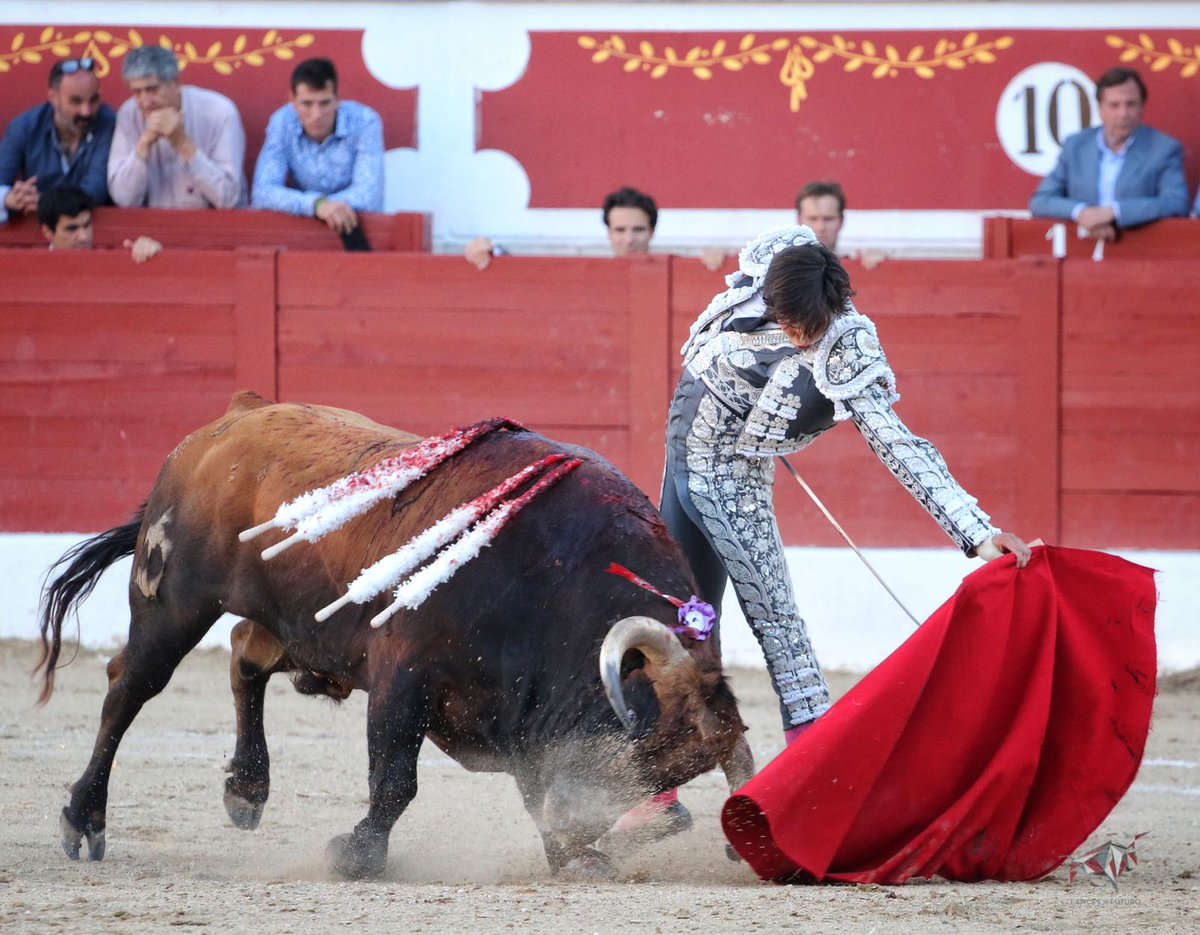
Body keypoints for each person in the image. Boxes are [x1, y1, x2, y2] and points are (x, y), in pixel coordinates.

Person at [663, 225, 1032, 742]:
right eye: (789, 322)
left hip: (731, 475)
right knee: (686, 615)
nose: (797, 337)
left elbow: (895, 442)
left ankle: (811, 760)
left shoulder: (846, 341)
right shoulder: (772, 261)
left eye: (806, 328)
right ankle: (658, 775)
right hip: (681, 451)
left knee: (777, 622)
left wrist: (975, 532)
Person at [1028, 67, 1188, 239]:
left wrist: (1114, 212)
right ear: (1100, 109)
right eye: (1114, 105)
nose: (1123, 114)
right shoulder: (1076, 146)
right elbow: (1040, 201)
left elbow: (1176, 203)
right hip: (1081, 252)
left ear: (1142, 107)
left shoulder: (1163, 149)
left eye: (1131, 104)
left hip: (1139, 252)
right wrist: (1082, 213)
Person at [251, 57, 383, 237]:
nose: (317, 114)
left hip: (355, 230)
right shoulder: (282, 122)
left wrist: (321, 207)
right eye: (307, 104)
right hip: (300, 232)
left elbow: (370, 194)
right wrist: (316, 206)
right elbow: (262, 192)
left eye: (325, 103)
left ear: (338, 99)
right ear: (292, 101)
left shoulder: (365, 121)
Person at [107, 46, 246, 209]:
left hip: (214, 227)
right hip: (151, 228)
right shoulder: (129, 114)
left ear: (176, 82)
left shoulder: (220, 112)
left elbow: (228, 198)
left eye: (152, 90)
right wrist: (144, 144)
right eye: (137, 92)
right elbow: (123, 199)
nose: (145, 102)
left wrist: (183, 143)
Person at [0, 57, 115, 224]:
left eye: (93, 100)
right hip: (35, 232)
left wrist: (45, 201)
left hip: (93, 233)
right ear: (53, 97)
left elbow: (94, 192)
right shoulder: (25, 126)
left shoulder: (108, 123)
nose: (86, 111)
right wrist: (9, 198)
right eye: (76, 101)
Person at [464, 185, 659, 270]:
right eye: (620, 230)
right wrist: (493, 250)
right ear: (609, 233)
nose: (629, 239)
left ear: (651, 232)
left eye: (638, 230)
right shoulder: (590, 274)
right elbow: (535, 285)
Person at [37, 184, 162, 263]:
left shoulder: (108, 258)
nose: (84, 236)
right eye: (72, 229)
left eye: (87, 225)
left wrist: (151, 250)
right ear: (48, 232)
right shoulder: (35, 267)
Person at [795, 180, 885, 270]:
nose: (821, 227)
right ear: (799, 220)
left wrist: (882, 265)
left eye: (828, 219)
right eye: (812, 219)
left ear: (841, 221)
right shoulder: (783, 265)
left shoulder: (859, 261)